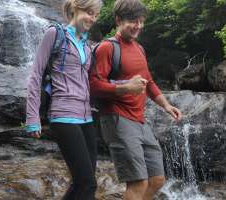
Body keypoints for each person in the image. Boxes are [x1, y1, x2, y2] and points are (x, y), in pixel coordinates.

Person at [89, 0, 182, 199]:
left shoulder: (139, 49)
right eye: (133, 21)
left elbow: (148, 82)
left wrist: (166, 105)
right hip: (117, 119)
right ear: (118, 20)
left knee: (157, 179)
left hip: (140, 120)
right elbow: (93, 86)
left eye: (141, 21)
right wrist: (125, 88)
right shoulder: (107, 48)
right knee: (138, 182)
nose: (138, 26)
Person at [25, 0, 102, 199]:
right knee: (88, 184)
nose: (92, 18)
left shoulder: (86, 43)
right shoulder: (55, 34)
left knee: (82, 181)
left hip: (86, 117)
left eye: (95, 15)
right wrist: (32, 117)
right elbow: (36, 74)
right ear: (76, 8)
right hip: (63, 115)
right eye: (89, 12)